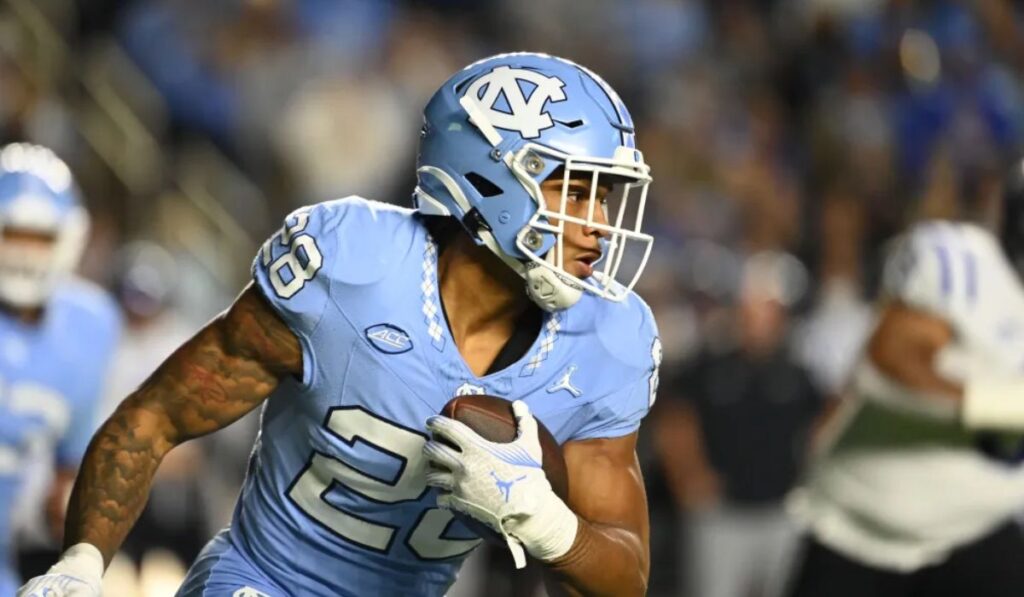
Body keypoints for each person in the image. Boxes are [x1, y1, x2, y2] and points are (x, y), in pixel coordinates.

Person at [18, 53, 661, 597]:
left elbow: (626, 569)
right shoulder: (351, 267)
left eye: (605, 197)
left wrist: (547, 523)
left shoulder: (607, 341)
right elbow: (156, 416)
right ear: (489, 179)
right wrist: (81, 563)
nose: (598, 225)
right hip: (261, 581)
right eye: (577, 191)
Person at [786, 161, 1024, 597]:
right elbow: (893, 357)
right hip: (865, 529)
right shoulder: (966, 263)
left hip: (979, 530)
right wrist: (1002, 406)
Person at [655, 252, 826, 597]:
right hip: (722, 513)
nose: (759, 319)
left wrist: (813, 485)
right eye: (753, 308)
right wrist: (689, 476)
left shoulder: (799, 372)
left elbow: (822, 427)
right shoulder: (710, 365)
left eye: (768, 309)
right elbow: (674, 420)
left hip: (781, 510)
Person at [0, 143, 120, 595]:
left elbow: (69, 477)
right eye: (14, 234)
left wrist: (83, 554)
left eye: (40, 238)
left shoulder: (89, 327)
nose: (26, 253)